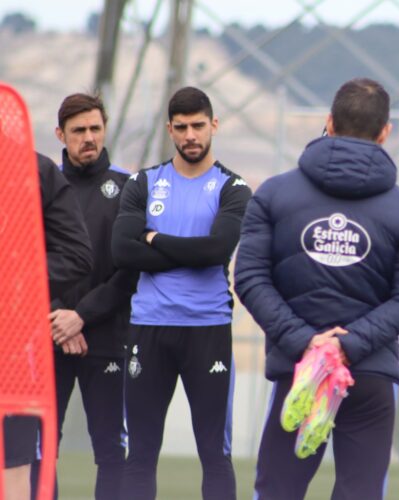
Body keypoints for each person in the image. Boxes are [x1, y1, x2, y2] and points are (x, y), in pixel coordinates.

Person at [234, 77, 399, 500]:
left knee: (276, 492)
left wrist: (308, 343)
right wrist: (350, 345)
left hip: (298, 372)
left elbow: (250, 278)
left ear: (328, 122)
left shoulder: (273, 193)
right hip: (370, 374)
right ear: (385, 132)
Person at [111, 86, 251, 500]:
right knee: (140, 454)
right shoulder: (144, 182)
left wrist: (151, 238)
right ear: (169, 129)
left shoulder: (233, 187)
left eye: (199, 126)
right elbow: (122, 251)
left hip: (207, 329)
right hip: (148, 328)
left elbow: (216, 251)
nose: (191, 135)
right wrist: (189, 251)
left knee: (214, 453)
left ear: (214, 126)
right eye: (182, 127)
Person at [36, 93, 136, 500]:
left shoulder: (128, 189)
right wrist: (59, 317)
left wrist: (82, 316)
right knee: (42, 449)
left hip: (108, 337)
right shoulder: (39, 189)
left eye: (95, 128)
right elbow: (25, 262)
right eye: (79, 131)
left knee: (112, 450)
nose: (89, 138)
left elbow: (130, 269)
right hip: (48, 336)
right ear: (61, 134)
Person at [4, 152, 93, 500]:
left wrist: (14, 279)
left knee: (14, 469)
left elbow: (76, 254)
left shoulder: (33, 169)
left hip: (11, 348)